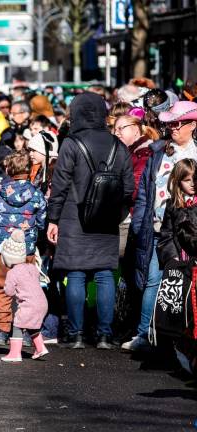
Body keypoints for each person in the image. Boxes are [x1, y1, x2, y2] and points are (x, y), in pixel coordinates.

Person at [47, 93, 134, 350]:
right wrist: (115, 210)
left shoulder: (71, 143)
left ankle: (76, 334)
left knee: (75, 273)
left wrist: (53, 219)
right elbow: (128, 187)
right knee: (105, 274)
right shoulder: (118, 145)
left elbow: (60, 185)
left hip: (73, 216)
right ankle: (105, 335)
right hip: (107, 218)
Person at [127, 101, 197, 352]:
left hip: (191, 232)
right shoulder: (159, 151)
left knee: (187, 286)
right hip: (158, 228)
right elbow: (145, 191)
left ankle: (183, 341)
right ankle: (145, 335)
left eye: (178, 123)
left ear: (192, 125)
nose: (173, 128)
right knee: (153, 282)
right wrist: (138, 223)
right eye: (170, 123)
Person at [0, 150, 46, 345]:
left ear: (8, 168)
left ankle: (1, 330)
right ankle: (25, 331)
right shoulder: (36, 193)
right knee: (26, 290)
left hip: (2, 248)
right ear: (28, 170)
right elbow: (42, 219)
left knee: (2, 288)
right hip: (25, 248)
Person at [0, 230, 50, 362]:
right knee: (32, 325)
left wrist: (8, 288)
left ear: (7, 257)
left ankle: (15, 354)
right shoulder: (32, 267)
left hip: (29, 305)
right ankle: (40, 348)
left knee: (17, 325)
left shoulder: (12, 273)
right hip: (42, 303)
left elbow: (9, 292)